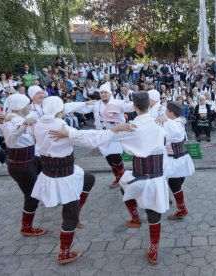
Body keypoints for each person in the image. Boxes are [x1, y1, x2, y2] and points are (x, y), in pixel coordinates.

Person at [50, 91, 169, 265]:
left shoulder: (131, 127)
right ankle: (153, 248)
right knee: (151, 212)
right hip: (157, 177)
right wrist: (167, 118)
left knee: (124, 183)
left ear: (134, 107)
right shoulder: (161, 124)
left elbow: (97, 138)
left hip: (141, 176)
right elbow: (178, 125)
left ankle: (135, 216)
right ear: (150, 105)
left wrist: (69, 135)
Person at [31, 96, 120, 264]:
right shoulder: (61, 127)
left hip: (54, 169)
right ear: (59, 110)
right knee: (69, 215)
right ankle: (63, 253)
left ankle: (76, 212)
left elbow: (65, 109)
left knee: (89, 179)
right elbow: (90, 139)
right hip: (64, 175)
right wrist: (114, 131)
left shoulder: (38, 123)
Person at [0, 93, 45, 236]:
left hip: (30, 160)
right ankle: (26, 227)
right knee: (32, 196)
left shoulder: (13, 117)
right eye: (27, 104)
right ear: (19, 107)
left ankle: (55, 196)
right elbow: (13, 137)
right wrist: (23, 123)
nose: (30, 106)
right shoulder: (13, 122)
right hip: (21, 167)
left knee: (47, 172)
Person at [76, 83, 134, 189]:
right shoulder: (96, 104)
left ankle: (121, 178)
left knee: (115, 157)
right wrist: (84, 103)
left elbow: (133, 106)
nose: (103, 94)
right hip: (101, 135)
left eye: (105, 92)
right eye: (101, 92)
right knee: (109, 158)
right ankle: (118, 177)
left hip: (115, 134)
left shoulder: (118, 103)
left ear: (110, 93)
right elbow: (81, 108)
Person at [157, 101, 195, 220]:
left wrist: (165, 119)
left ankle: (182, 209)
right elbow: (164, 112)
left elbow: (170, 128)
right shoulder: (176, 120)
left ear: (171, 113)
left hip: (176, 160)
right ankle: (174, 203)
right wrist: (164, 115)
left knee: (174, 184)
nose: (165, 112)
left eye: (167, 111)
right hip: (176, 159)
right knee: (173, 183)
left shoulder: (173, 125)